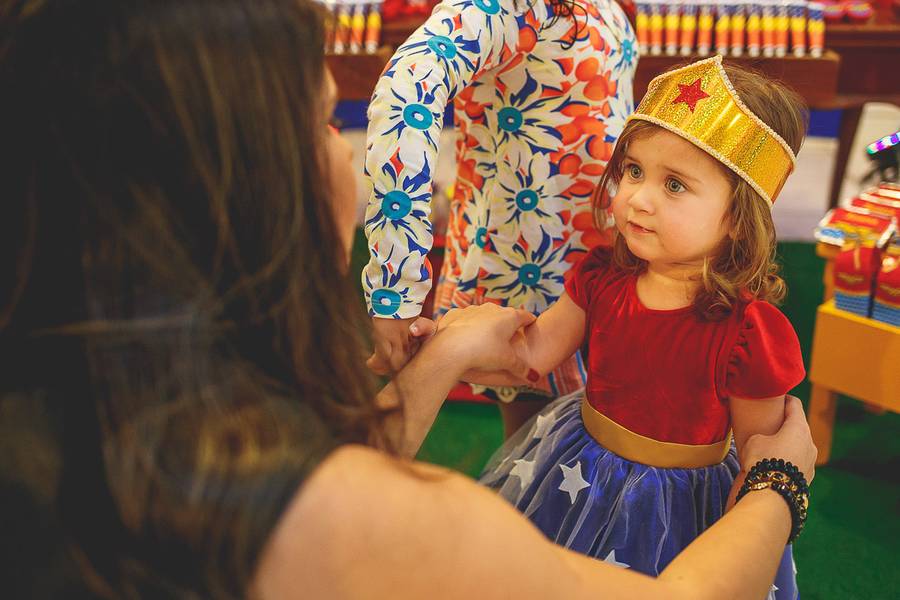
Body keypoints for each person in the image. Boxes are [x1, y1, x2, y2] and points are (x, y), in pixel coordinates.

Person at [0, 2, 815, 599]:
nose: (349, 157)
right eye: (326, 124)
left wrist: (452, 350)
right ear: (240, 190)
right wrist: (779, 479)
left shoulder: (60, 422)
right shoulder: (377, 523)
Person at [464, 56, 808, 597]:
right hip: (575, 474)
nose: (637, 199)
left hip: (681, 508)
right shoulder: (601, 278)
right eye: (632, 170)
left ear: (739, 216)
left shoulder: (749, 332)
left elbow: (759, 457)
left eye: (674, 185)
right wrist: (451, 343)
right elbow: (531, 355)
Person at [361, 0, 638, 434]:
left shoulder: (602, 8)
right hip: (531, 288)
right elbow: (408, 87)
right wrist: (395, 284)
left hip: (605, 269)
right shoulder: (513, 6)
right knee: (543, 463)